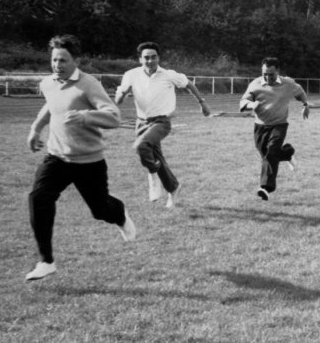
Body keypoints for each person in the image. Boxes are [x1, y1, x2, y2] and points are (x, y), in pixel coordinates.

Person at [25, 35, 136, 281]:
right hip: (57, 158)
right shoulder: (49, 83)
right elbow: (50, 105)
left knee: (101, 210)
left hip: (89, 162)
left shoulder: (89, 84)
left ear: (77, 60)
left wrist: (86, 116)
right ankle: (46, 261)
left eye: (63, 60)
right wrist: (35, 128)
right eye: (54, 59)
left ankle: (119, 213)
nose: (57, 65)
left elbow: (114, 117)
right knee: (39, 198)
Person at [114, 42, 211, 208]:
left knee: (141, 146)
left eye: (153, 57)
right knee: (158, 158)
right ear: (140, 59)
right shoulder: (131, 75)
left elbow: (189, 84)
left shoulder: (168, 75)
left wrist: (202, 103)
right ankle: (173, 189)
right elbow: (118, 100)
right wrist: (122, 93)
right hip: (141, 122)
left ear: (158, 57)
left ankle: (153, 177)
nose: (150, 61)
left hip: (161, 122)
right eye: (146, 57)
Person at [239, 57, 310, 200]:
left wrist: (305, 105)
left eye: (271, 74)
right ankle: (288, 153)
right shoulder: (255, 84)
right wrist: (251, 105)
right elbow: (243, 101)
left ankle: (265, 187)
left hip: (279, 124)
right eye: (264, 73)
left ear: (278, 71)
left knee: (271, 153)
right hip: (260, 126)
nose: (267, 77)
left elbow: (300, 92)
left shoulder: (288, 84)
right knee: (267, 155)